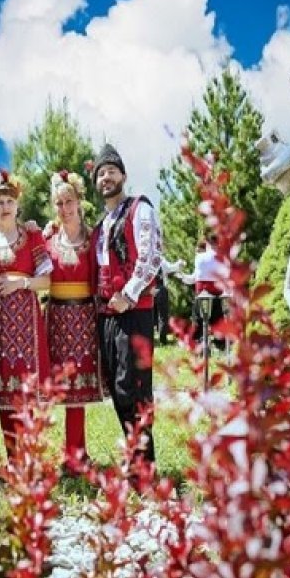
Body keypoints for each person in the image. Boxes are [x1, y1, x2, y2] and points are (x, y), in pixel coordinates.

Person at [91, 144, 163, 465]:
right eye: (101, 173)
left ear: (123, 175)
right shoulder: (100, 225)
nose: (106, 177)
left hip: (136, 312)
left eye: (111, 171)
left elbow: (151, 257)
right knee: (117, 388)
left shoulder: (139, 209)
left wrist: (129, 293)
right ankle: (135, 456)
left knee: (135, 388)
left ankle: (145, 467)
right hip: (108, 315)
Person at [0, 169, 52, 461]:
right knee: (3, 391)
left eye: (9, 201)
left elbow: (47, 280)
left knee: (25, 389)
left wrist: (21, 282)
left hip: (25, 322)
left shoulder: (32, 237)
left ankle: (30, 458)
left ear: (17, 205)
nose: (5, 206)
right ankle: (13, 459)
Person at [44, 171, 104, 469]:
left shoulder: (94, 239)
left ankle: (76, 455)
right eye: (59, 203)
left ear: (79, 202)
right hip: (54, 317)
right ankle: (65, 453)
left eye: (69, 201)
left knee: (77, 389)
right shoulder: (46, 238)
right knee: (59, 388)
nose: (64, 208)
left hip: (83, 318)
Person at [176, 235, 225, 341]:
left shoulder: (200, 258)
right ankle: (219, 343)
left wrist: (182, 276)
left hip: (202, 294)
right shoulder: (222, 257)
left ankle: (199, 342)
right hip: (218, 294)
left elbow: (195, 277)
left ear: (207, 244)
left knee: (199, 320)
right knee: (218, 321)